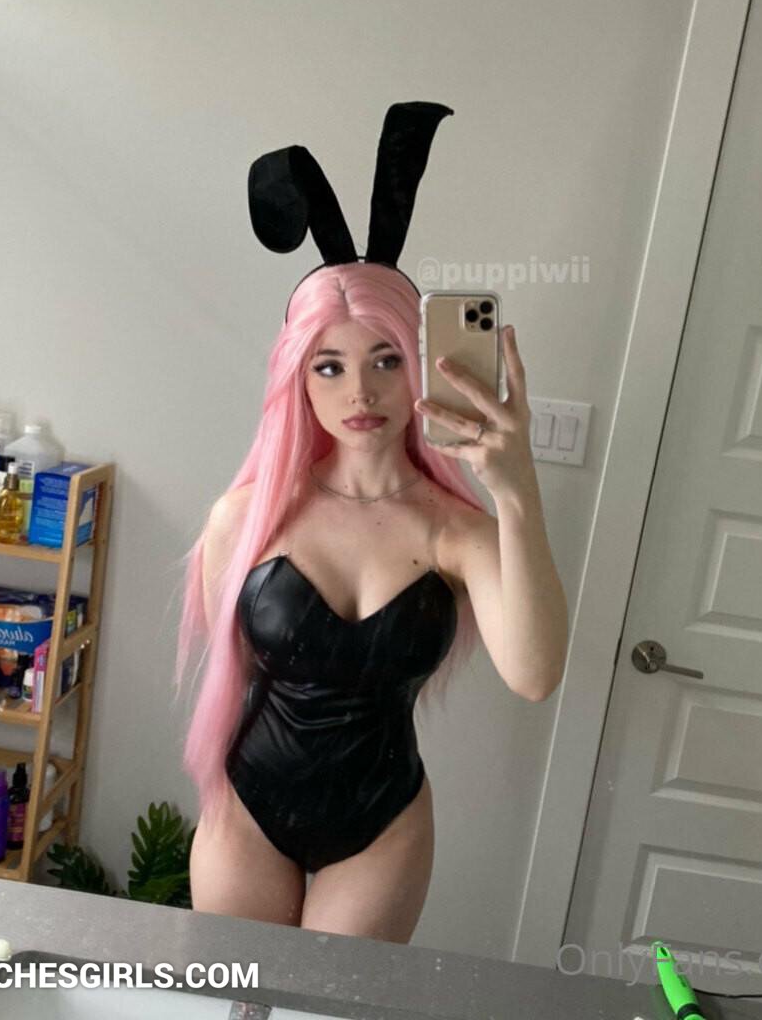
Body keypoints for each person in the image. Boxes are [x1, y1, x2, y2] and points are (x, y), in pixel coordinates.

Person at [175, 102, 569, 941]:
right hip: (247, 808)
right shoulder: (247, 518)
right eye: (330, 366)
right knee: (234, 998)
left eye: (386, 359)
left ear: (418, 362)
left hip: (381, 824)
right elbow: (233, 672)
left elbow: (535, 676)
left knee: (333, 1006)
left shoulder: (457, 533)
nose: (360, 391)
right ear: (298, 378)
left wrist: (516, 490)